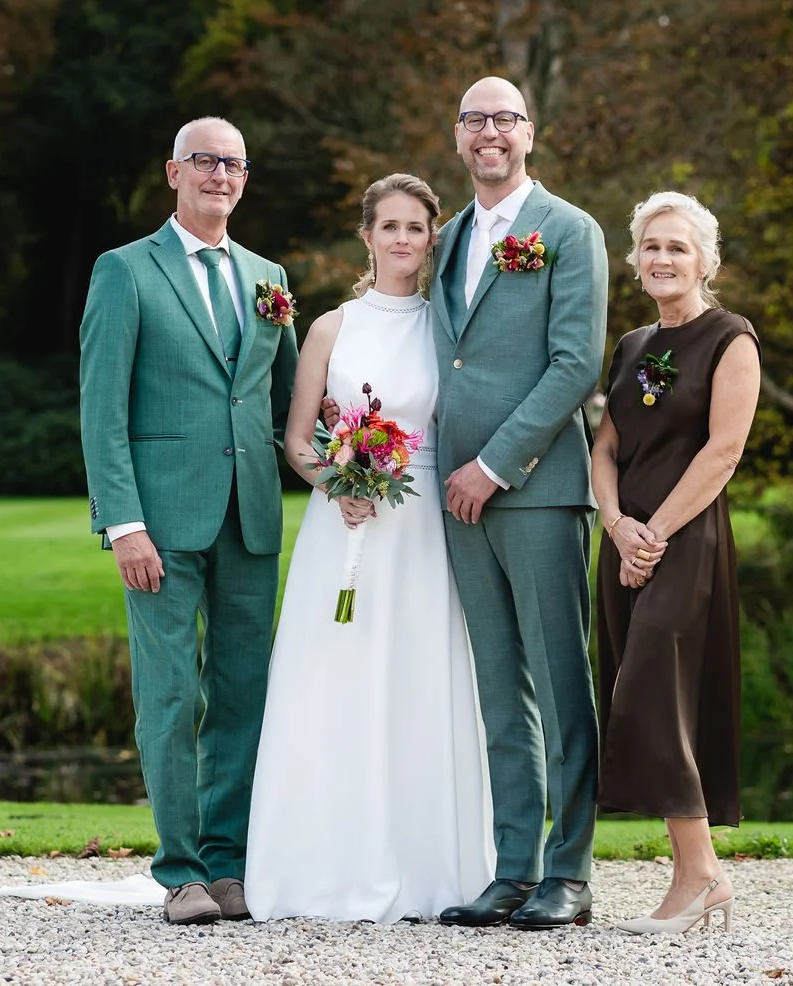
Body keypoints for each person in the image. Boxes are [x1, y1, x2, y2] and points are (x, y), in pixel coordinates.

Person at [243, 173, 495, 923]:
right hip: (344, 527)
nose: (403, 240)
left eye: (416, 227)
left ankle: (429, 869)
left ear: (432, 237)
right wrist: (337, 481)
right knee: (334, 680)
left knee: (419, 681)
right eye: (389, 226)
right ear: (367, 236)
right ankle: (321, 865)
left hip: (425, 530)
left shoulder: (450, 328)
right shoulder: (332, 327)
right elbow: (297, 439)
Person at [78, 117, 299, 925]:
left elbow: (287, 403)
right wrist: (122, 522)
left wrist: (355, 462)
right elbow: (101, 408)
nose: (219, 175)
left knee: (243, 695)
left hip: (251, 519)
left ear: (245, 177)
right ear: (174, 172)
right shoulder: (124, 270)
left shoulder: (268, 276)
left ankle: (228, 863)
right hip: (161, 523)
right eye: (204, 161)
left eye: (233, 163)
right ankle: (180, 873)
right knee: (170, 695)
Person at [431, 77, 608, 930]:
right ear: (458, 136)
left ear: (530, 133)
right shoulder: (448, 238)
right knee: (500, 689)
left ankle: (569, 872)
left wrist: (494, 465)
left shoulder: (568, 231)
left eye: (505, 118)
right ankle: (514, 870)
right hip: (453, 498)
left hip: (535, 490)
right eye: (475, 120)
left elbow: (576, 364)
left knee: (560, 683)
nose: (489, 132)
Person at [591, 190, 761, 934]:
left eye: (678, 247)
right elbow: (605, 447)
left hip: (685, 542)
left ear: (705, 261)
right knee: (637, 691)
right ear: (636, 260)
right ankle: (699, 874)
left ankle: (700, 876)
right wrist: (617, 526)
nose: (662, 258)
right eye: (651, 246)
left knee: (655, 693)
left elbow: (724, 451)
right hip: (625, 540)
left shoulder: (731, 339)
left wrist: (653, 535)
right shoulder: (631, 345)